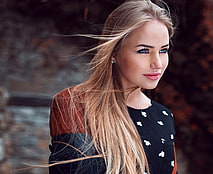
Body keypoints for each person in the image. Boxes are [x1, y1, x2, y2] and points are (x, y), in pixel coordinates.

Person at [48, 0, 178, 173]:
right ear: (114, 52)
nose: (157, 63)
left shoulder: (164, 116)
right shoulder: (73, 103)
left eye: (163, 50)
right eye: (143, 51)